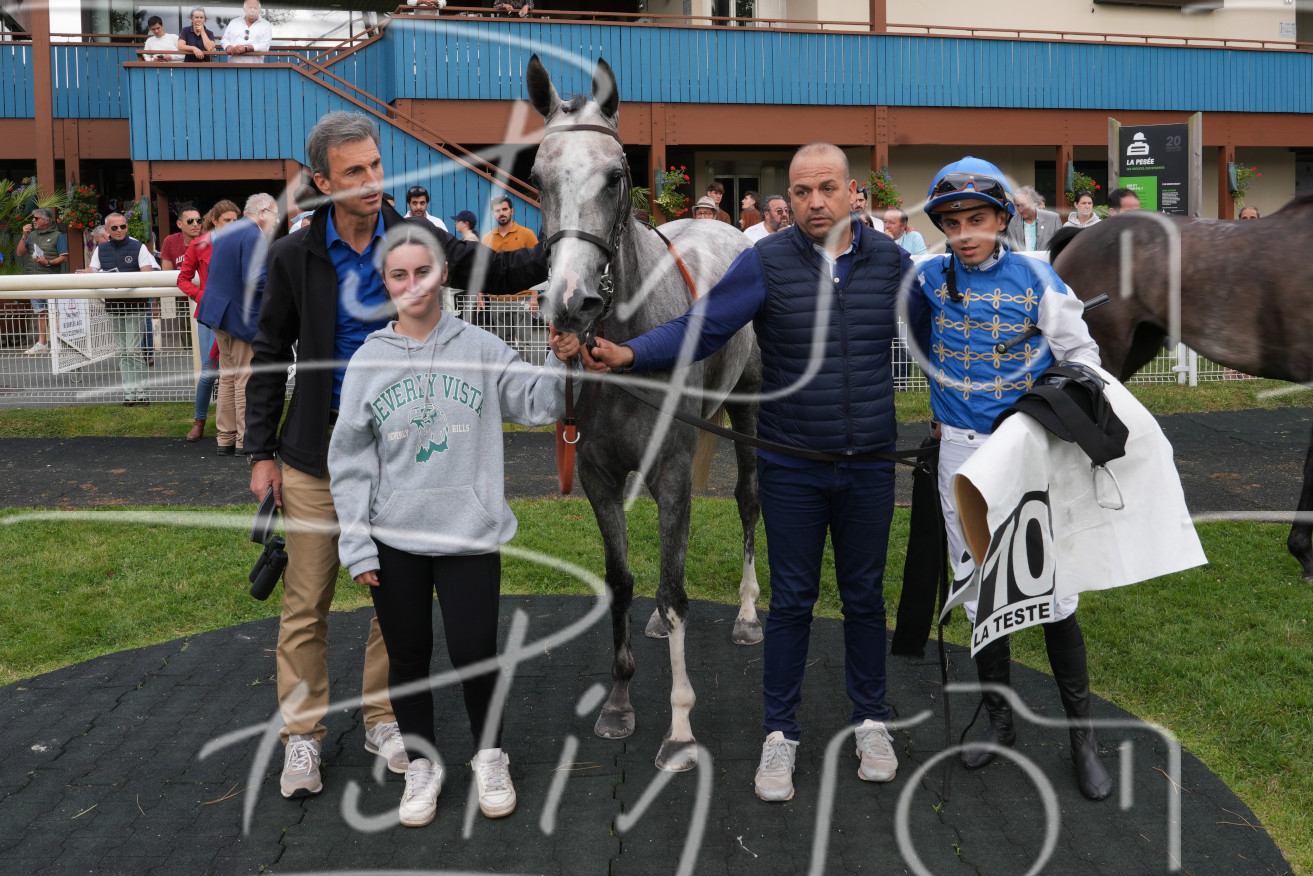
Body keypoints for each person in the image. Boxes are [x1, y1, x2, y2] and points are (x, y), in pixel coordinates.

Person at [582, 142, 910, 803]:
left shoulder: (892, 262)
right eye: (801, 191)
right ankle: (779, 734)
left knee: (864, 600)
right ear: (788, 199)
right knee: (789, 605)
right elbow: (701, 328)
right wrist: (629, 353)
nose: (814, 202)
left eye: (827, 188)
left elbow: (940, 332)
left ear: (853, 194)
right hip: (791, 464)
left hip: (870, 464)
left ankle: (872, 722)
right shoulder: (763, 261)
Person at [244, 111, 550, 801]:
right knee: (308, 599)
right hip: (318, 450)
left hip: (406, 449)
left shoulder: (414, 238)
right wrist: (260, 450)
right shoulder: (293, 255)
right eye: (353, 171)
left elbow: (498, 269)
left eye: (376, 165)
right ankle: (303, 734)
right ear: (322, 181)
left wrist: (567, 244)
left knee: (394, 601)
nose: (371, 180)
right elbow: (268, 353)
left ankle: (386, 720)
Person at [329, 223, 579, 827]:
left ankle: (490, 756)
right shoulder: (368, 361)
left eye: (423, 272)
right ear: (385, 283)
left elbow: (540, 403)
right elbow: (351, 460)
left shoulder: (482, 348)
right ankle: (421, 764)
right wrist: (357, 543)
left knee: (475, 653)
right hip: (395, 539)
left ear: (444, 275)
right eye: (399, 275)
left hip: (468, 533)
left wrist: (559, 355)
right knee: (408, 657)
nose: (413, 284)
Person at [906, 156, 1112, 801]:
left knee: (1053, 589)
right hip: (960, 454)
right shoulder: (927, 277)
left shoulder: (1038, 276)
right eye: (952, 223)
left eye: (977, 219)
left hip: (1028, 451)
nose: (964, 233)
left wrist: (1048, 412)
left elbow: (1082, 356)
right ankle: (999, 722)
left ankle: (1082, 736)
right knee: (978, 586)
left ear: (1001, 220)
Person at [196, 194, 280, 455]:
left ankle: (226, 438)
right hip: (240, 315)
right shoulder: (253, 234)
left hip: (218, 312)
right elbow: (255, 279)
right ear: (262, 213)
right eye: (275, 215)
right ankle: (246, 439)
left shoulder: (230, 230)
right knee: (245, 377)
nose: (277, 221)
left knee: (228, 376)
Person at [177, 200, 240, 442]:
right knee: (209, 371)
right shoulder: (199, 245)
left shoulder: (242, 242)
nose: (232, 225)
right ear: (214, 220)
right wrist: (201, 296)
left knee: (238, 372)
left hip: (236, 314)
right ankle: (200, 422)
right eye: (227, 220)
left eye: (235, 220)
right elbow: (183, 279)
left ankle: (237, 427)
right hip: (211, 315)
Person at [88, 212, 159, 405]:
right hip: (114, 305)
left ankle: (142, 393)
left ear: (126, 227)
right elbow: (92, 273)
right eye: (115, 227)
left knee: (133, 350)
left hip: (136, 305)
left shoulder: (139, 247)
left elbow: (147, 276)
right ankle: (129, 394)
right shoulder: (100, 249)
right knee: (123, 351)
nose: (119, 230)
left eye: (123, 226)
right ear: (107, 230)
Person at [478, 195, 539, 351]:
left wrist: (534, 297)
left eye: (504, 209)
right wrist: (480, 296)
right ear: (493, 213)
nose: (501, 213)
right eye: (497, 210)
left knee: (525, 343)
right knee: (503, 343)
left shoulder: (527, 234)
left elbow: (537, 267)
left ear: (512, 211)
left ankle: (526, 367)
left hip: (522, 298)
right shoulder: (487, 238)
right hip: (497, 299)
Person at [17, 207, 68, 355]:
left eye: (36, 218)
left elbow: (64, 257)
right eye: (33, 218)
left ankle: (57, 342)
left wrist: (48, 262)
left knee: (54, 311)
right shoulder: (31, 235)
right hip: (34, 279)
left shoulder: (58, 236)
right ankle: (42, 343)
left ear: (46, 220)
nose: (33, 220)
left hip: (51, 279)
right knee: (40, 311)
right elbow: (20, 253)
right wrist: (24, 236)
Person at [1006, 185, 1060, 252]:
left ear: (1034, 202)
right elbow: (1012, 250)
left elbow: (1060, 247)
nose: (1020, 210)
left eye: (1023, 205)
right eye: (1017, 205)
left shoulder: (1053, 219)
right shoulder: (1013, 222)